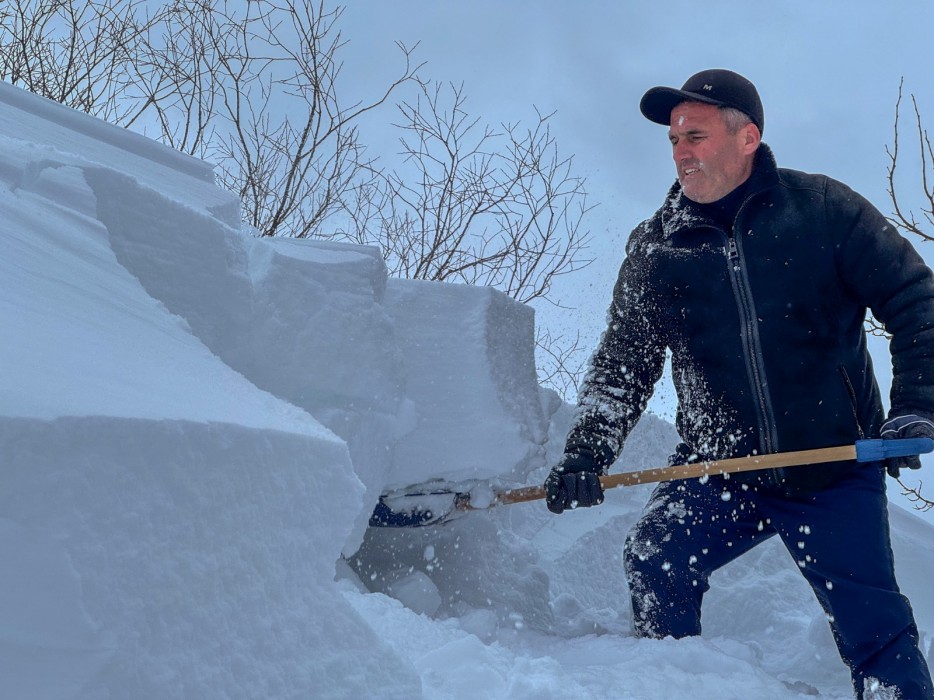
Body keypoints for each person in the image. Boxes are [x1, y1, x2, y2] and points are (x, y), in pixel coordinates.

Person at [543, 68, 934, 699]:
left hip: (830, 463)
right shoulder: (657, 249)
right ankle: (677, 685)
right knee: (655, 559)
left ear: (747, 137)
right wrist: (586, 451)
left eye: (693, 135)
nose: (680, 153)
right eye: (673, 140)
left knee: (876, 632)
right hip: (719, 465)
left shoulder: (824, 211)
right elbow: (623, 363)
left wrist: (917, 406)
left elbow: (917, 299)